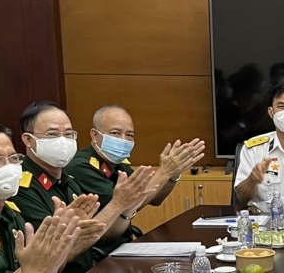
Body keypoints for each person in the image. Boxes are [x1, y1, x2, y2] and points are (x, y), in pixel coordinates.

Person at [13, 101, 158, 273]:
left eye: (68, 134)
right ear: (28, 140)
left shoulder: (68, 180)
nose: (62, 141)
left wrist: (126, 207)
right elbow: (50, 257)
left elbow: (99, 233)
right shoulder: (22, 187)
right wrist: (117, 204)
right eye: (52, 134)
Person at [0, 122, 103, 273]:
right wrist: (52, 252)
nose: (9, 167)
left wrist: (63, 248)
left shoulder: (11, 213)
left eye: (13, 158)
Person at [63, 104, 206, 249]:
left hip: (122, 244)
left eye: (129, 135)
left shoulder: (118, 164)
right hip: (101, 250)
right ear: (95, 135)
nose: (123, 140)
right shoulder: (82, 166)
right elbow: (128, 203)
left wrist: (173, 174)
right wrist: (164, 172)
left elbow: (155, 198)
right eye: (115, 133)